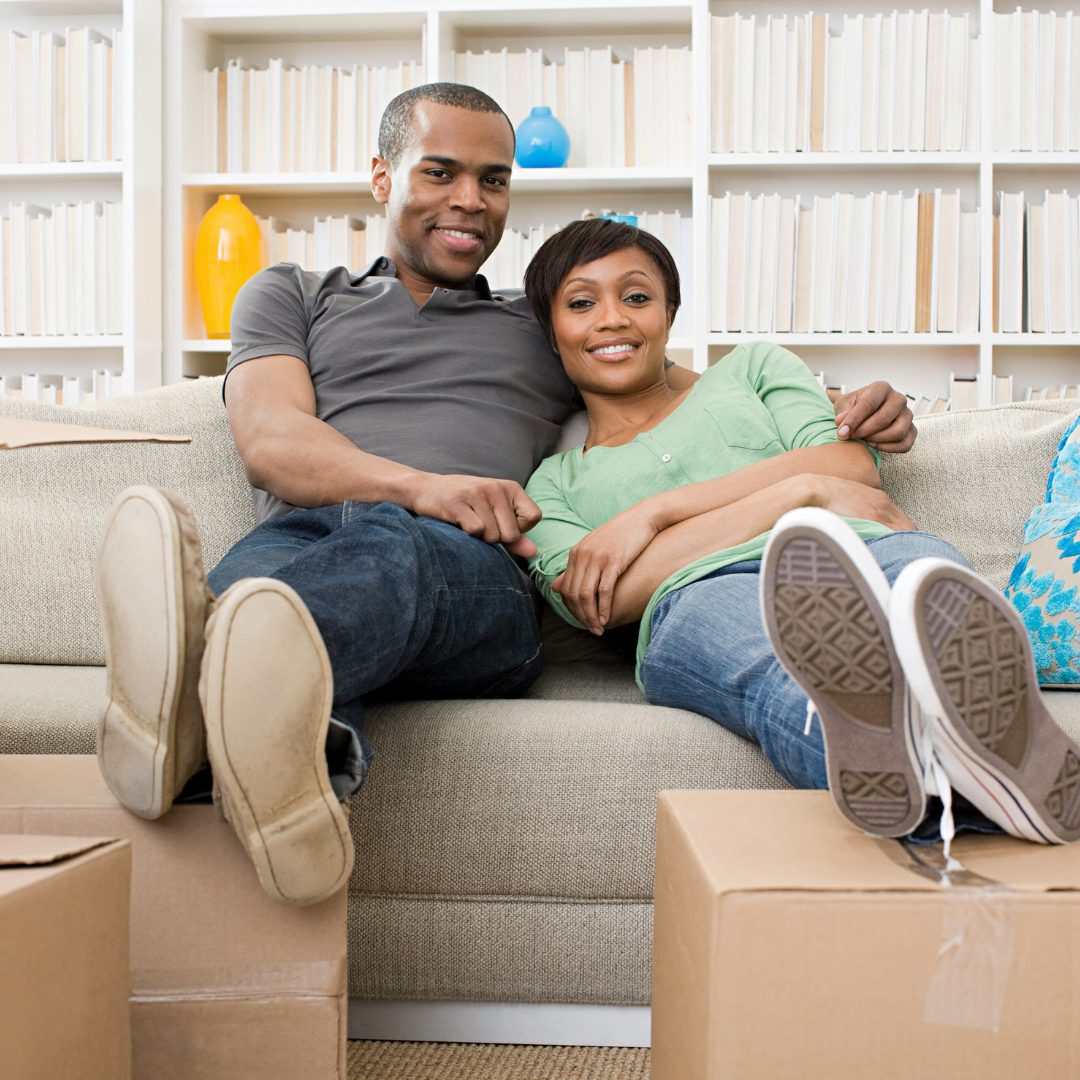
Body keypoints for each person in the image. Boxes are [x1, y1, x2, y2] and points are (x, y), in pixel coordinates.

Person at [94, 84, 921, 907]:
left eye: (493, 180)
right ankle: (287, 773)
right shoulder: (292, 294)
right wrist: (424, 487)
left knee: (376, 557)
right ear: (382, 177)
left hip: (473, 569)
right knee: (270, 589)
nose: (470, 200)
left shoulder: (537, 323)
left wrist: (846, 411)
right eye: (441, 172)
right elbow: (272, 443)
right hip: (307, 534)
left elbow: (663, 386)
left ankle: (183, 692)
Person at [522, 217, 1080, 846]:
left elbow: (847, 465)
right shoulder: (552, 484)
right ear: (550, 329)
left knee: (932, 593)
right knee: (797, 681)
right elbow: (601, 601)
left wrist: (650, 518)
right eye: (581, 302)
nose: (613, 318)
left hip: (862, 543)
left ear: (669, 313)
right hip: (702, 594)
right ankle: (963, 787)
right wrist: (796, 490)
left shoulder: (754, 369)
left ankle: (982, 739)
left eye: (637, 296)